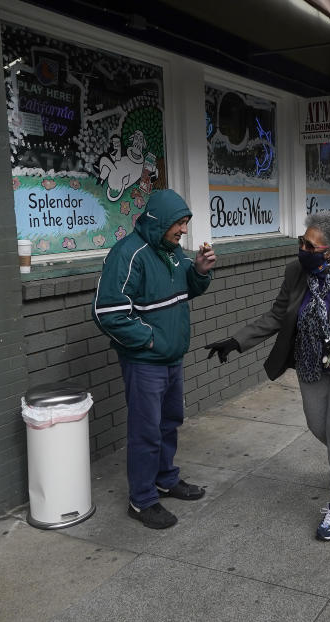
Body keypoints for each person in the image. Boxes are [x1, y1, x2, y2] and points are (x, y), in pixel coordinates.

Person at [205, 214, 330, 541]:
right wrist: (237, 341)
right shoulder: (296, 272)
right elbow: (278, 315)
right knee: (319, 426)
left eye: (309, 245)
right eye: (301, 242)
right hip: (312, 361)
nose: (302, 249)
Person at [92, 189, 217, 529]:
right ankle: (142, 500)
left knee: (169, 422)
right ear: (161, 220)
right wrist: (149, 341)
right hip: (145, 362)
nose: (183, 231)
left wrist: (201, 271)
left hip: (171, 358)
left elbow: (188, 287)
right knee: (146, 431)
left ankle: (165, 478)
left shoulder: (173, 253)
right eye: (179, 223)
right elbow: (108, 312)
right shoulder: (129, 254)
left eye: (186, 224)